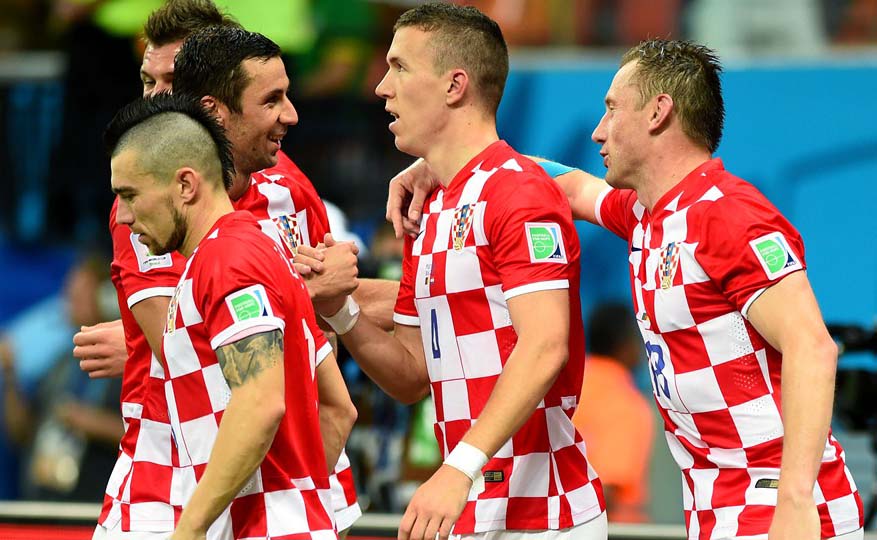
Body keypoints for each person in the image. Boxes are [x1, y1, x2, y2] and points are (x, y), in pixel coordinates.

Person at [386, 38, 864, 540]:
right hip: (719, 504)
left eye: (612, 109)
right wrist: (445, 165)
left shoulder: (727, 213)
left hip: (781, 507)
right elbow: (566, 185)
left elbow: (812, 348)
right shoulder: (648, 216)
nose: (597, 131)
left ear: (659, 112)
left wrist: (794, 501)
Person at [315, 4, 607, 539]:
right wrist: (341, 310)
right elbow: (409, 375)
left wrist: (457, 467)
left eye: (400, 67)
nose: (382, 87)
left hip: (540, 513)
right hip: (466, 503)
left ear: (455, 85)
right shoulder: (433, 207)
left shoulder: (519, 191)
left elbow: (545, 346)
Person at [77, 3, 361, 537]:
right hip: (172, 466)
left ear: (213, 98)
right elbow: (178, 348)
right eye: (148, 82)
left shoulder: (284, 194)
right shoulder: (144, 200)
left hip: (273, 472)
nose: (159, 102)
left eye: (173, 82)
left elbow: (309, 373)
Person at [106, 92, 337, 540]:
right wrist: (296, 501)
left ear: (186, 185)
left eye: (131, 196)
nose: (126, 217)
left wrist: (189, 529)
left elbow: (260, 401)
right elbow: (338, 407)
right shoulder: (255, 248)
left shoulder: (228, 261)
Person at [571, 302, 653, 524]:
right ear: (625, 345)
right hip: (609, 528)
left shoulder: (568, 384)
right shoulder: (624, 401)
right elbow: (607, 489)